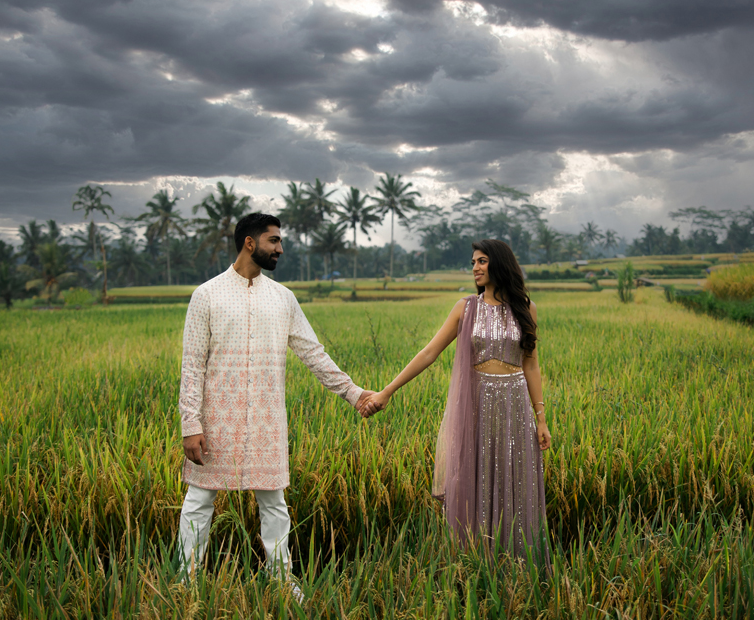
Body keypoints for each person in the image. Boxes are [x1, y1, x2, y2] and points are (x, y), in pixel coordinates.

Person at [176, 212, 372, 591]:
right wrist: (191, 424)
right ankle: (186, 582)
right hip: (216, 418)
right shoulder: (207, 295)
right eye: (274, 241)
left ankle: (282, 582)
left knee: (274, 504)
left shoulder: (283, 298)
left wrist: (353, 393)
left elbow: (313, 354)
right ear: (250, 243)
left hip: (267, 420)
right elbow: (192, 366)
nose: (280, 248)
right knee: (199, 501)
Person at [358, 239, 552, 569]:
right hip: (475, 407)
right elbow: (428, 353)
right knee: (476, 476)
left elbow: (531, 364)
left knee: (513, 478)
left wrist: (541, 418)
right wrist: (387, 390)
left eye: (482, 261)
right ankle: (476, 561)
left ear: (500, 264)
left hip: (515, 406)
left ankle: (516, 564)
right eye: (474, 261)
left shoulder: (526, 308)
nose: (475, 267)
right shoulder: (466, 308)